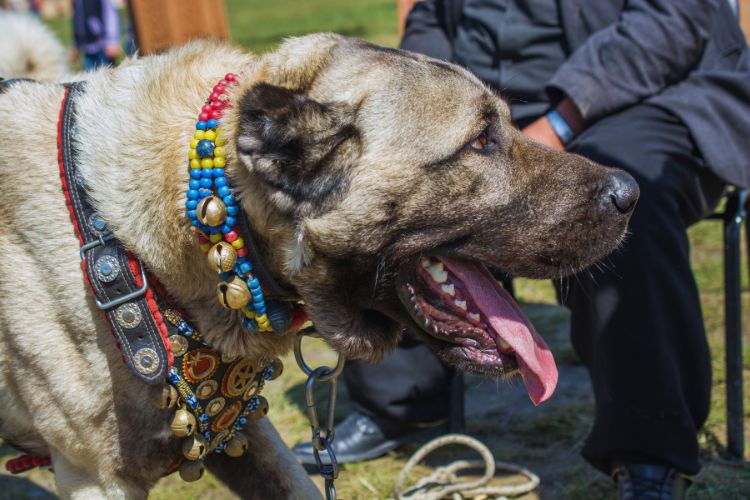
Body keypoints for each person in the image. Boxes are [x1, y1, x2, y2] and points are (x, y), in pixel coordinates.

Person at [293, 1, 750, 497]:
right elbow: (432, 19)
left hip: (645, 96)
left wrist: (556, 125)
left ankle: (649, 452)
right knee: (405, 191)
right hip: (482, 103)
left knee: (617, 188)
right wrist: (416, 112)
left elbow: (671, 21)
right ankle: (400, 404)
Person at [71, 0, 121, 70]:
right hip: (87, 50)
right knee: (89, 77)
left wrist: (112, 41)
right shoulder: (77, 2)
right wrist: (75, 45)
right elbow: (77, 22)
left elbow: (110, 16)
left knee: (108, 75)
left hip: (103, 48)